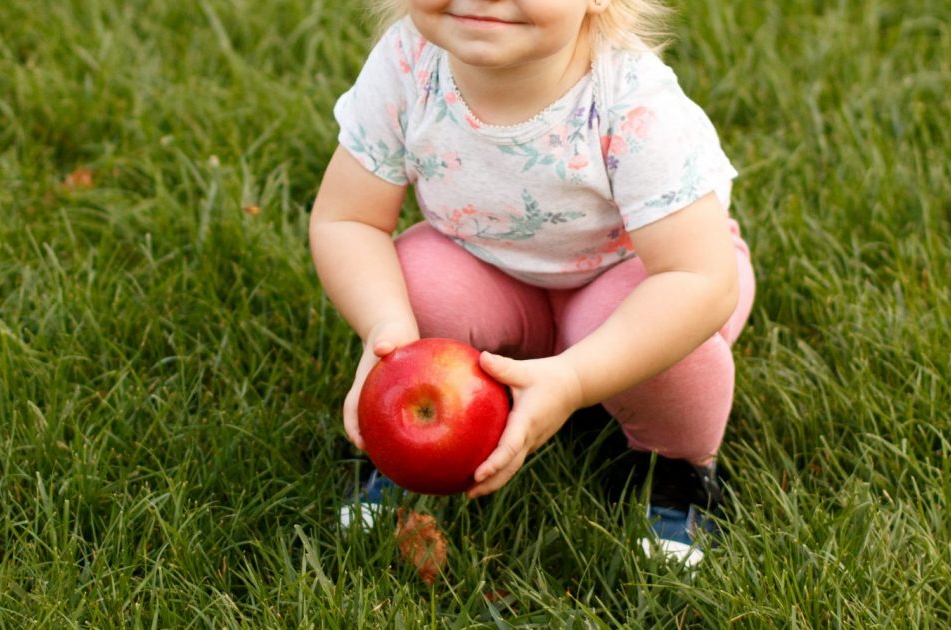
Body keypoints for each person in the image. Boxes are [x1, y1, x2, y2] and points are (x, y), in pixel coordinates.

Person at [309, 0, 756, 566]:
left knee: (671, 347)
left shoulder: (629, 100)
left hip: (639, 275)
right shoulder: (409, 63)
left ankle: (674, 469)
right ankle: (407, 450)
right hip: (493, 267)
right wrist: (389, 332)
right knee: (415, 282)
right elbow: (348, 218)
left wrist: (572, 378)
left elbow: (699, 280)